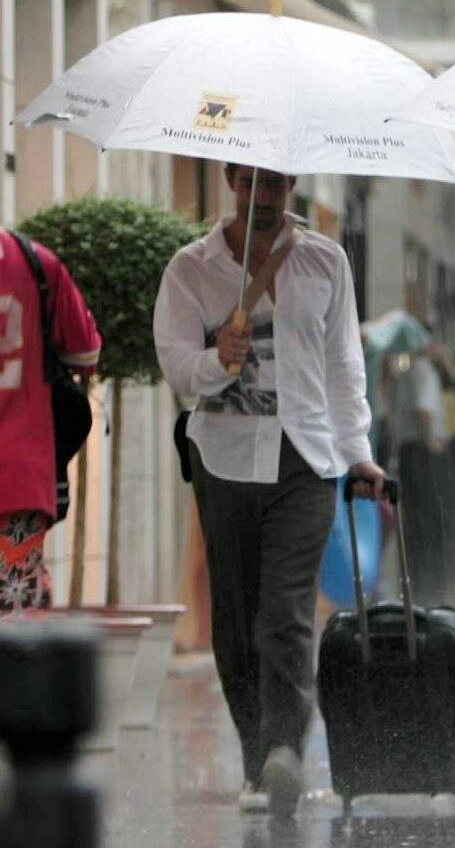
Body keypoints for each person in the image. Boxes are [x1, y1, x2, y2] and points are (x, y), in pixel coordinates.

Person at [154, 165, 385, 817]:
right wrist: (216, 359)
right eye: (252, 181)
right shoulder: (191, 268)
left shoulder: (325, 261)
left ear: (293, 184)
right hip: (223, 458)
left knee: (285, 612)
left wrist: (358, 452)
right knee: (235, 619)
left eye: (277, 183)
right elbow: (177, 365)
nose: (265, 194)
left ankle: (284, 747)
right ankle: (257, 760)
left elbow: (344, 365)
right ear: (232, 179)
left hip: (306, 458)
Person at [0, 232, 100, 615]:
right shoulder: (36, 261)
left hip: (20, 478)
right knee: (16, 618)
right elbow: (85, 353)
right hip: (20, 478)